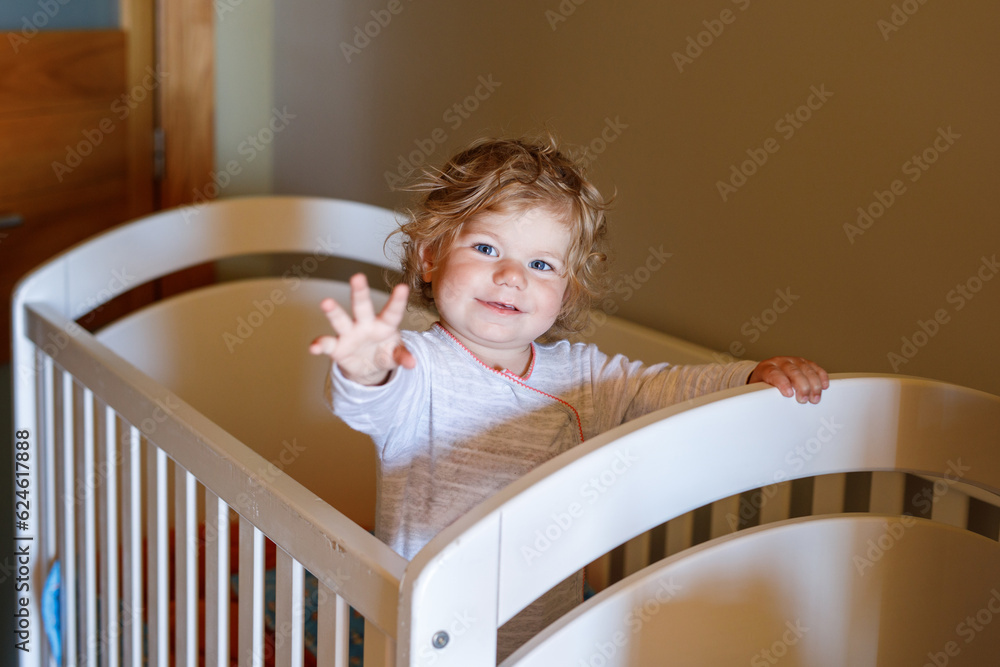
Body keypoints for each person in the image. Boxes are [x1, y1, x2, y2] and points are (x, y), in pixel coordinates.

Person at [309, 135, 828, 658]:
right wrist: (365, 367)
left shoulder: (582, 376)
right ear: (429, 258)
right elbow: (373, 402)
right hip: (432, 634)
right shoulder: (417, 366)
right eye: (486, 248)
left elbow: (660, 389)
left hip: (548, 630)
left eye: (541, 265)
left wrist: (750, 377)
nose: (512, 276)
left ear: (568, 292)